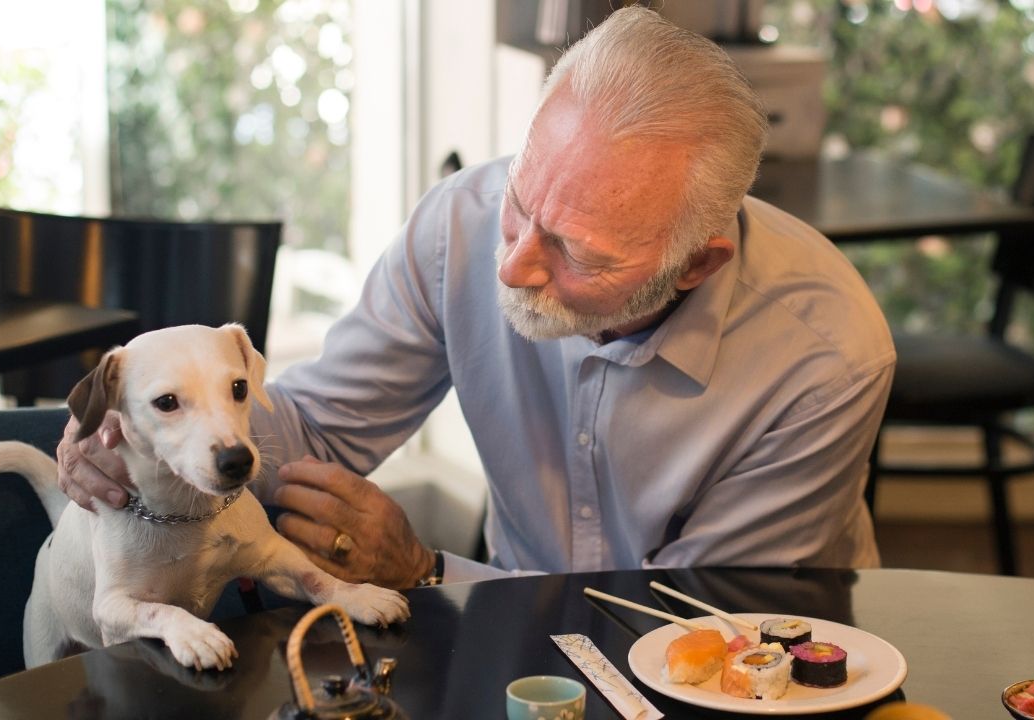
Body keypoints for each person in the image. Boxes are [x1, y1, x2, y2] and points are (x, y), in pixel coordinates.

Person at [57, 6, 895, 590]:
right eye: (522, 205)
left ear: (695, 266)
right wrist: (145, 432)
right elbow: (316, 433)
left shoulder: (826, 358)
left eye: (574, 251)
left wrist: (426, 574)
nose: (514, 267)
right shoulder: (459, 225)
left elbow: (694, 632)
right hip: (512, 625)